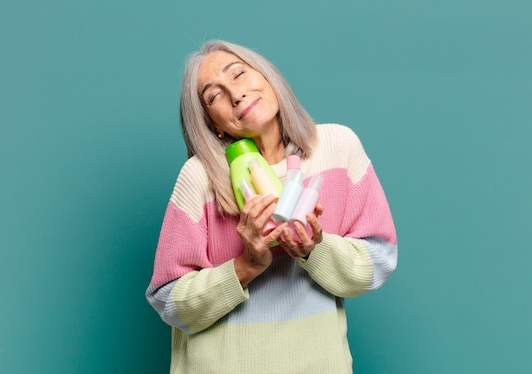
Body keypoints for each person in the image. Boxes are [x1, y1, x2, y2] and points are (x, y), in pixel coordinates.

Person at [146, 40, 398, 373]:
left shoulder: (338, 148)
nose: (235, 94)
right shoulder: (200, 177)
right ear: (213, 124)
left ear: (268, 78)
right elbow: (169, 300)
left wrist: (314, 250)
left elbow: (378, 261)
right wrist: (246, 265)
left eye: (238, 74)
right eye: (215, 96)